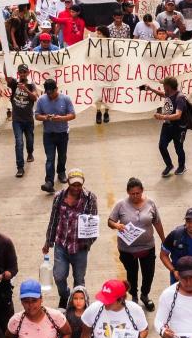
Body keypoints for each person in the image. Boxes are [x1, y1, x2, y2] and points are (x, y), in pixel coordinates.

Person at [43, 168, 98, 309]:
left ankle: (79, 304)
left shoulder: (90, 198)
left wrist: (88, 243)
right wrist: (48, 241)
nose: (76, 188)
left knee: (79, 280)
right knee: (59, 276)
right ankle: (65, 296)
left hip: (79, 247)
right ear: (68, 182)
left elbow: (93, 224)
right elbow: (54, 220)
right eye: (73, 184)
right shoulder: (59, 197)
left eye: (79, 185)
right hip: (61, 244)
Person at [107, 177, 165, 311]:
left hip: (147, 247)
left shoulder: (150, 203)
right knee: (132, 274)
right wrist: (116, 225)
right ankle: (134, 296)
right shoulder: (121, 205)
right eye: (132, 194)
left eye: (138, 193)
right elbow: (110, 221)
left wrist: (163, 240)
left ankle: (145, 295)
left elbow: (157, 222)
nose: (135, 196)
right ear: (128, 192)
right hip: (127, 249)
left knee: (148, 273)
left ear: (142, 191)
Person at [35, 79, 76, 193]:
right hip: (48, 134)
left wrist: (61, 118)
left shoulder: (65, 99)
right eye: (47, 93)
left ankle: (61, 172)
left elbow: (72, 115)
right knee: (50, 158)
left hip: (62, 133)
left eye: (52, 93)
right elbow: (37, 115)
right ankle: (49, 182)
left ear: (56, 89)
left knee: (62, 155)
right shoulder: (41, 100)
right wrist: (46, 118)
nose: (50, 95)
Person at [8, 64, 39, 177]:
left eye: (24, 72)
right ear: (18, 73)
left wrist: (25, 89)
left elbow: (35, 97)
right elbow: (7, 76)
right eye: (20, 72)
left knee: (29, 140)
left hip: (28, 119)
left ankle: (30, 153)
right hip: (17, 119)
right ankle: (20, 167)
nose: (22, 74)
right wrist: (6, 61)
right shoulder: (14, 84)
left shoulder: (31, 85)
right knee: (19, 142)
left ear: (28, 73)